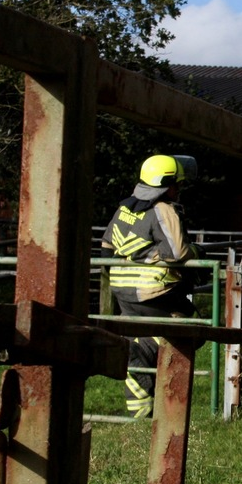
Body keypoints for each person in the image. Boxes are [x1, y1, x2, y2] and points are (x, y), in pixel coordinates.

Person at [101, 154, 201, 419]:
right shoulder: (163, 210)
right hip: (153, 291)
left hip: (123, 292)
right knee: (194, 325)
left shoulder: (125, 208)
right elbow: (177, 253)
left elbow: (106, 247)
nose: (179, 190)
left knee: (141, 337)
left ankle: (140, 409)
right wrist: (196, 251)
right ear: (167, 186)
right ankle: (143, 350)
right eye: (177, 184)